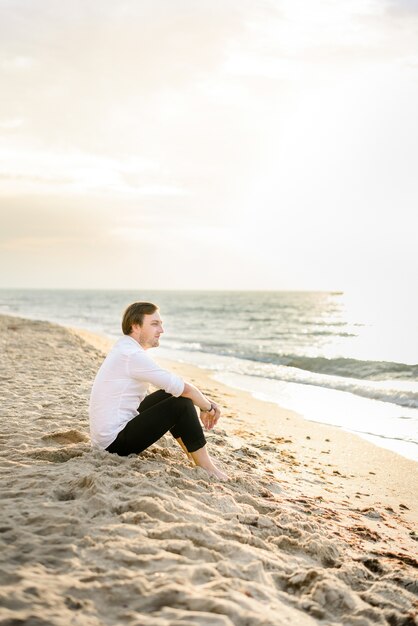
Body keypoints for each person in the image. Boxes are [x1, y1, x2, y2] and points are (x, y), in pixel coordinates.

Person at [89, 301, 228, 480]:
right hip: (113, 444)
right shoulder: (133, 355)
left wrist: (205, 402)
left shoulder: (126, 347)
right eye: (154, 324)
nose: (161, 330)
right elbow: (183, 389)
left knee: (173, 395)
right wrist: (208, 408)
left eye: (161, 324)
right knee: (182, 402)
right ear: (135, 326)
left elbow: (173, 386)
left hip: (106, 437)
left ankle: (191, 451)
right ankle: (207, 467)